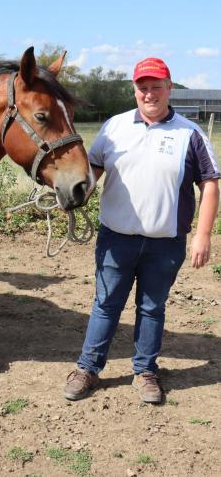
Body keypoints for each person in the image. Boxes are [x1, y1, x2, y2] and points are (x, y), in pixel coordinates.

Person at [64, 57, 220, 403]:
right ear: (134, 90)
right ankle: (88, 367)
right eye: (142, 87)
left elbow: (210, 184)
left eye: (156, 86)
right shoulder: (114, 127)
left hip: (165, 243)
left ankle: (145, 370)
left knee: (152, 308)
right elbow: (93, 170)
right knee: (106, 304)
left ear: (169, 88)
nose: (149, 93)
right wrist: (75, 195)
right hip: (115, 238)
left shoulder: (190, 134)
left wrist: (203, 234)